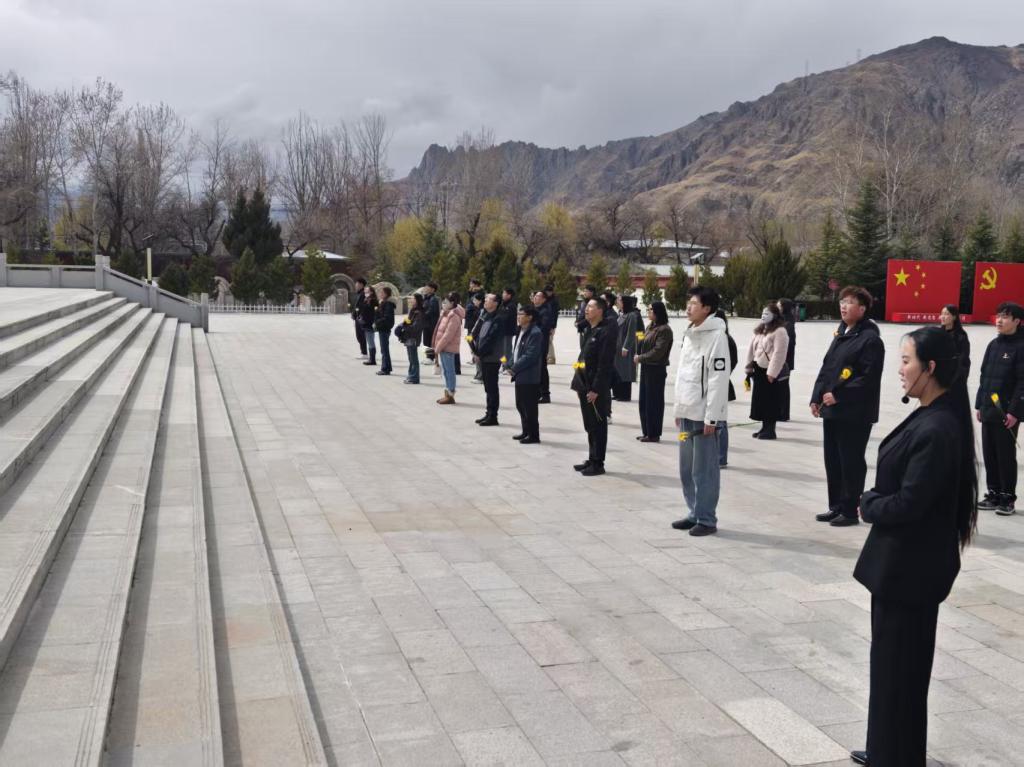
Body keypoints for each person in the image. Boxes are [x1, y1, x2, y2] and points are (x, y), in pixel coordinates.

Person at [850, 326, 978, 767]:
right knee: (892, 669)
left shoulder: (939, 428)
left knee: (899, 671)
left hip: (911, 570)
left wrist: (869, 503)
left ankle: (895, 755)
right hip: (902, 568)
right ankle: (888, 748)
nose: (900, 370)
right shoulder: (931, 413)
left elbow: (911, 502)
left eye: (907, 361)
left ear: (931, 367)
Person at [810, 286, 885, 527]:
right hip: (832, 410)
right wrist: (816, 397)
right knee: (832, 460)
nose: (843, 306)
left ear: (862, 309)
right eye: (842, 301)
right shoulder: (842, 334)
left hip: (854, 412)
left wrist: (840, 396)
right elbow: (827, 368)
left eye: (850, 302)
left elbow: (868, 378)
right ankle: (836, 506)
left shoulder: (870, 339)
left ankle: (850, 510)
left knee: (850, 460)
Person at [671, 286, 730, 536]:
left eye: (694, 303)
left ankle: (706, 519)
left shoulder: (717, 337)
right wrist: (678, 407)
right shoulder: (690, 334)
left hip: (704, 416)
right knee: (686, 468)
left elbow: (718, 379)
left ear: (707, 308)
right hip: (687, 410)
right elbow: (683, 375)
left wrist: (712, 417)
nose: (688, 307)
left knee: (704, 470)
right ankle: (693, 512)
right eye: (689, 302)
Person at [975, 301, 1023, 516]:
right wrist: (980, 404)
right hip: (988, 409)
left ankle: (1007, 497)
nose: (999, 320)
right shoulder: (993, 345)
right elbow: (984, 376)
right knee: (990, 453)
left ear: (1017, 321)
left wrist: (1014, 411)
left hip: (1007, 413)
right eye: (998, 315)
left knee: (1005, 455)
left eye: (1005, 316)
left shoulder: (1021, 346)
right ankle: (993, 493)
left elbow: (1022, 382)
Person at [572, 297, 617, 476]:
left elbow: (604, 363)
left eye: (590, 307)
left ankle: (598, 463)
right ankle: (592, 458)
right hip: (584, 384)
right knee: (590, 424)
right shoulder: (590, 329)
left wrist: (596, 389)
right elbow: (583, 358)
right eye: (586, 306)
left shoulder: (605, 332)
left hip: (594, 387)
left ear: (600, 310)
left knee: (598, 425)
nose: (586, 309)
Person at [745, 302, 790, 440]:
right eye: (763, 313)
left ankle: (770, 430)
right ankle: (764, 427)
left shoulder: (780, 331)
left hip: (770, 372)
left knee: (771, 401)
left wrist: (772, 372)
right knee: (761, 401)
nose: (763, 316)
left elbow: (779, 353)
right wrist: (748, 366)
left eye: (767, 314)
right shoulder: (760, 330)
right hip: (758, 370)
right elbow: (751, 349)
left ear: (775, 316)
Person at [634, 300, 673, 442]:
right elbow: (643, 342)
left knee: (654, 402)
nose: (648, 312)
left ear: (658, 312)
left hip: (656, 369)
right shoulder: (650, 327)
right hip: (646, 367)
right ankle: (647, 432)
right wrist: (638, 340)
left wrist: (640, 358)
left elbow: (658, 351)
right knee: (644, 401)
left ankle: (654, 433)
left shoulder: (664, 330)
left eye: (651, 309)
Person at [506, 305, 543, 443]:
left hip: (529, 375)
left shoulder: (535, 333)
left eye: (521, 314)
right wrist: (509, 364)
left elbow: (530, 355)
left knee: (529, 407)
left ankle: (533, 435)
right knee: (520, 405)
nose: (518, 317)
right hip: (520, 374)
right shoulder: (521, 330)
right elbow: (516, 351)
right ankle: (526, 431)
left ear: (530, 317)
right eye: (518, 314)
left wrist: (514, 368)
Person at [471, 294, 504, 426]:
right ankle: (488, 413)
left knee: (492, 388)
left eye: (488, 299)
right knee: (488, 387)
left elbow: (491, 339)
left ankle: (493, 416)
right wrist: (475, 351)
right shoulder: (486, 316)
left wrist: (479, 352)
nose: (485, 301)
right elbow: (479, 335)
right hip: (484, 356)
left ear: (495, 303)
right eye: (484, 299)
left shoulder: (498, 318)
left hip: (492, 357)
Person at [715, 309, 739, 468]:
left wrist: (724, 375)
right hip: (711, 385)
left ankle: (721, 457)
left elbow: (733, 360)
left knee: (720, 422)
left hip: (720, 384)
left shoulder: (725, 339)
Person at [432, 292, 465, 405]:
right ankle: (447, 393)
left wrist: (438, 347)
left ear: (452, 303)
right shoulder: (445, 314)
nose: (443, 304)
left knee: (449, 371)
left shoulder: (454, 316)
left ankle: (450, 394)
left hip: (448, 348)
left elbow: (448, 335)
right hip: (443, 347)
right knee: (446, 371)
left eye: (445, 302)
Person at [939, 304, 971, 414]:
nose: (943, 317)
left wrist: (956, 378)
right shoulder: (937, 334)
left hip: (953, 379)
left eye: (946, 314)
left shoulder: (961, 336)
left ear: (954, 317)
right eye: (942, 314)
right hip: (938, 378)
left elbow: (964, 360)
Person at [613, 295, 640, 401]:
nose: (617, 302)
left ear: (625, 302)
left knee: (625, 371)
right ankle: (618, 393)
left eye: (619, 301)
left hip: (625, 348)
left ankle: (625, 395)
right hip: (618, 347)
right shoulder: (621, 314)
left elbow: (631, 333)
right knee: (618, 370)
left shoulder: (632, 315)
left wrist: (626, 347)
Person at [777, 298, 797, 422]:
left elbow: (788, 344)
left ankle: (783, 414)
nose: (777, 307)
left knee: (783, 386)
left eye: (779, 305)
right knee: (780, 386)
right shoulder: (784, 320)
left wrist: (781, 359)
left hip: (785, 361)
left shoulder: (788, 323)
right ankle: (780, 411)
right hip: (782, 359)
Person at [533, 290, 554, 404]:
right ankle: (538, 393)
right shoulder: (536, 309)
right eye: (535, 296)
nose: (535, 298)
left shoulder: (545, 311)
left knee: (541, 368)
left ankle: (545, 394)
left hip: (541, 343)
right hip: (534, 342)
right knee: (536, 368)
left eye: (538, 296)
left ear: (544, 299)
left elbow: (544, 327)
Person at [401, 293, 425, 384]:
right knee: (411, 358)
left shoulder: (419, 312)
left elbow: (416, 327)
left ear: (417, 300)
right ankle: (411, 375)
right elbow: (409, 322)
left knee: (413, 358)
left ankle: (414, 377)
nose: (411, 300)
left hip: (414, 337)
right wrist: (404, 324)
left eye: (413, 299)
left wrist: (406, 327)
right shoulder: (413, 310)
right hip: (409, 336)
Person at [463, 278, 483, 378]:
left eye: (471, 284)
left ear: (476, 285)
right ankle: (474, 357)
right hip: (470, 321)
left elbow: (478, 306)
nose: (470, 285)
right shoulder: (471, 293)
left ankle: (476, 356)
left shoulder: (480, 293)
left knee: (471, 339)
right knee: (469, 339)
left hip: (474, 321)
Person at [374, 286, 396, 375]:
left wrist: (377, 322)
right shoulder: (383, 303)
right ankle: (387, 367)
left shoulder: (388, 304)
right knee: (384, 349)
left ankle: (385, 369)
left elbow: (387, 318)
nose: (380, 294)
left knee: (384, 349)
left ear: (386, 294)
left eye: (382, 292)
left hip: (384, 328)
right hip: (382, 328)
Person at [466, 291, 485, 383]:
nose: (474, 301)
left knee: (477, 353)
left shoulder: (481, 310)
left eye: (476, 300)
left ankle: (480, 376)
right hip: (472, 332)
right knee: (473, 350)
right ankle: (478, 374)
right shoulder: (472, 307)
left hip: (476, 334)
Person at [359, 286, 379, 367]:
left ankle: (372, 360)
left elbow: (372, 312)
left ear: (371, 292)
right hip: (366, 323)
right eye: (365, 291)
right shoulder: (367, 299)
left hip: (369, 323)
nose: (365, 292)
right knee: (369, 341)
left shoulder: (373, 300)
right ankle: (371, 359)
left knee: (371, 341)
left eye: (367, 291)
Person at [422, 282, 441, 360]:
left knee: (430, 341)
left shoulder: (434, 299)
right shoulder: (426, 298)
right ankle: (428, 357)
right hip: (426, 323)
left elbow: (431, 311)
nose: (426, 288)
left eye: (428, 287)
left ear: (433, 289)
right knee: (426, 341)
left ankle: (431, 358)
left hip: (431, 324)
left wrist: (422, 314)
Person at [499, 288, 518, 360]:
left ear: (509, 295)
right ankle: (504, 363)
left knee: (507, 349)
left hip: (507, 331)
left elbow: (506, 318)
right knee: (503, 350)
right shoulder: (504, 304)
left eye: (504, 293)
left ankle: (508, 364)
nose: (502, 295)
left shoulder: (511, 306)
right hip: (503, 331)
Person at [351, 277, 368, 358]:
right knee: (359, 335)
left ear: (361, 284)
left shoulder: (363, 294)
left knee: (361, 335)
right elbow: (356, 306)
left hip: (361, 318)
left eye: (357, 283)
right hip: (358, 317)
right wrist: (354, 314)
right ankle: (363, 352)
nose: (355, 285)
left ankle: (364, 353)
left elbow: (361, 307)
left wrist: (357, 314)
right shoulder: (359, 293)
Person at [544, 284, 560, 364]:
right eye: (547, 291)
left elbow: (555, 315)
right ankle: (546, 357)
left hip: (551, 324)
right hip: (544, 323)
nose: (549, 293)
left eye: (550, 291)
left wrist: (553, 326)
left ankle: (551, 358)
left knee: (549, 340)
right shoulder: (544, 299)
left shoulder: (554, 301)